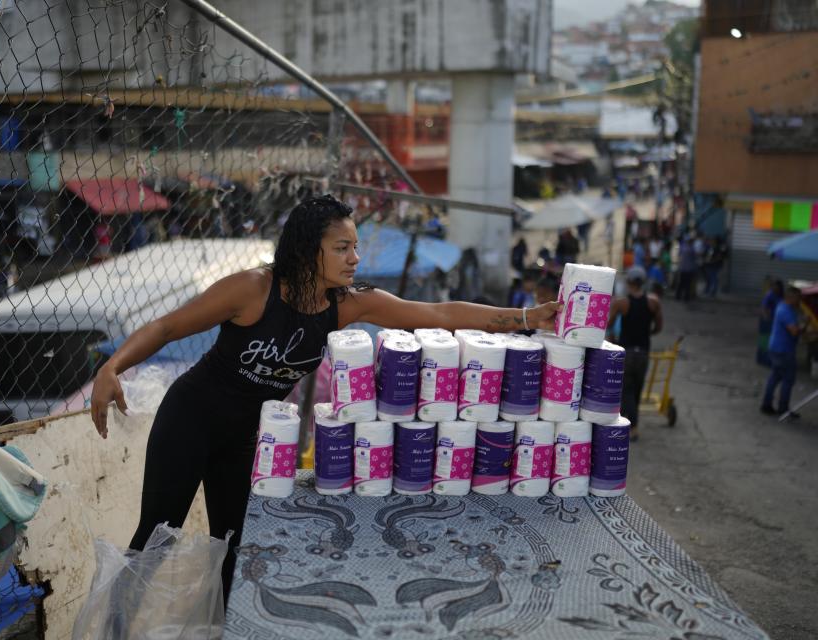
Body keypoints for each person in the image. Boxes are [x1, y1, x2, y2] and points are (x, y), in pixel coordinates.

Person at [89, 195, 559, 602]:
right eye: (341, 247)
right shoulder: (253, 289)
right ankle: (115, 624)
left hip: (243, 435)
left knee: (235, 545)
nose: (354, 257)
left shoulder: (349, 303)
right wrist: (112, 367)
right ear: (307, 248)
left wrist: (524, 317)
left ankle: (224, 627)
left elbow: (436, 312)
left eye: (355, 247)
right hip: (190, 418)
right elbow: (166, 326)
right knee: (156, 536)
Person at [608, 265, 663, 441]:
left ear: (629, 282)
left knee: (627, 391)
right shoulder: (653, 302)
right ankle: (632, 424)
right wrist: (649, 334)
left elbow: (609, 324)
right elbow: (659, 326)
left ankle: (632, 427)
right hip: (643, 353)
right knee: (637, 389)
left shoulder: (622, 303)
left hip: (627, 352)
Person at [761, 286, 806, 418]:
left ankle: (766, 405)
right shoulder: (785, 311)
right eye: (798, 298)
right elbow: (794, 331)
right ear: (791, 298)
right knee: (788, 379)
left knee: (775, 376)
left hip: (776, 348)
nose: (800, 300)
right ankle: (783, 409)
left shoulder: (783, 307)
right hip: (783, 350)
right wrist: (804, 326)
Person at [757, 279, 784, 366]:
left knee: (770, 341)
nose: (775, 288)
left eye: (777, 287)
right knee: (764, 340)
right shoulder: (770, 295)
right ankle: (762, 359)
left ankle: (768, 359)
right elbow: (764, 307)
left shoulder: (780, 296)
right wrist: (766, 318)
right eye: (774, 286)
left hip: (774, 320)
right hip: (767, 320)